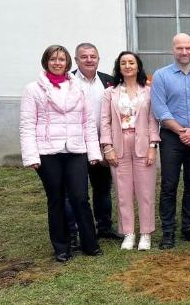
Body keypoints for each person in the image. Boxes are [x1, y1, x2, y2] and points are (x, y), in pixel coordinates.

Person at [19, 44, 102, 262]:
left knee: (80, 197)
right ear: (46, 62)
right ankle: (62, 247)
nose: (58, 63)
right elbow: (27, 124)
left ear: (68, 63)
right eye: (53, 59)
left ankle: (89, 243)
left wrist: (93, 153)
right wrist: (31, 156)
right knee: (55, 199)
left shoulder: (78, 88)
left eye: (62, 59)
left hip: (76, 150)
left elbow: (88, 124)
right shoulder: (33, 89)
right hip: (48, 152)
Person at [151, 33, 190, 249]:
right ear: (173, 50)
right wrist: (182, 132)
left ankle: (189, 227)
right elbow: (160, 109)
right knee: (169, 184)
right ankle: (168, 231)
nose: (184, 52)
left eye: (188, 48)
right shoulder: (161, 76)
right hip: (171, 137)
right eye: (180, 48)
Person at [99, 51, 160, 251]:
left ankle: (145, 233)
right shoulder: (110, 93)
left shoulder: (149, 91)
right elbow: (104, 121)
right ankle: (128, 233)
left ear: (138, 66)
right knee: (122, 192)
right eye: (123, 63)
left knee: (146, 191)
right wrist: (107, 147)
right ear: (119, 67)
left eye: (131, 62)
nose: (127, 66)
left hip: (143, 143)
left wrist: (153, 146)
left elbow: (153, 120)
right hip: (119, 144)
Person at [67, 43, 121, 246]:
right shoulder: (67, 81)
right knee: (76, 191)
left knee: (102, 188)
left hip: (102, 143)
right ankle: (74, 232)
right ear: (76, 59)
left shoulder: (109, 81)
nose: (89, 60)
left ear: (98, 58)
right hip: (77, 146)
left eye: (93, 56)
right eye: (84, 57)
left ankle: (104, 227)